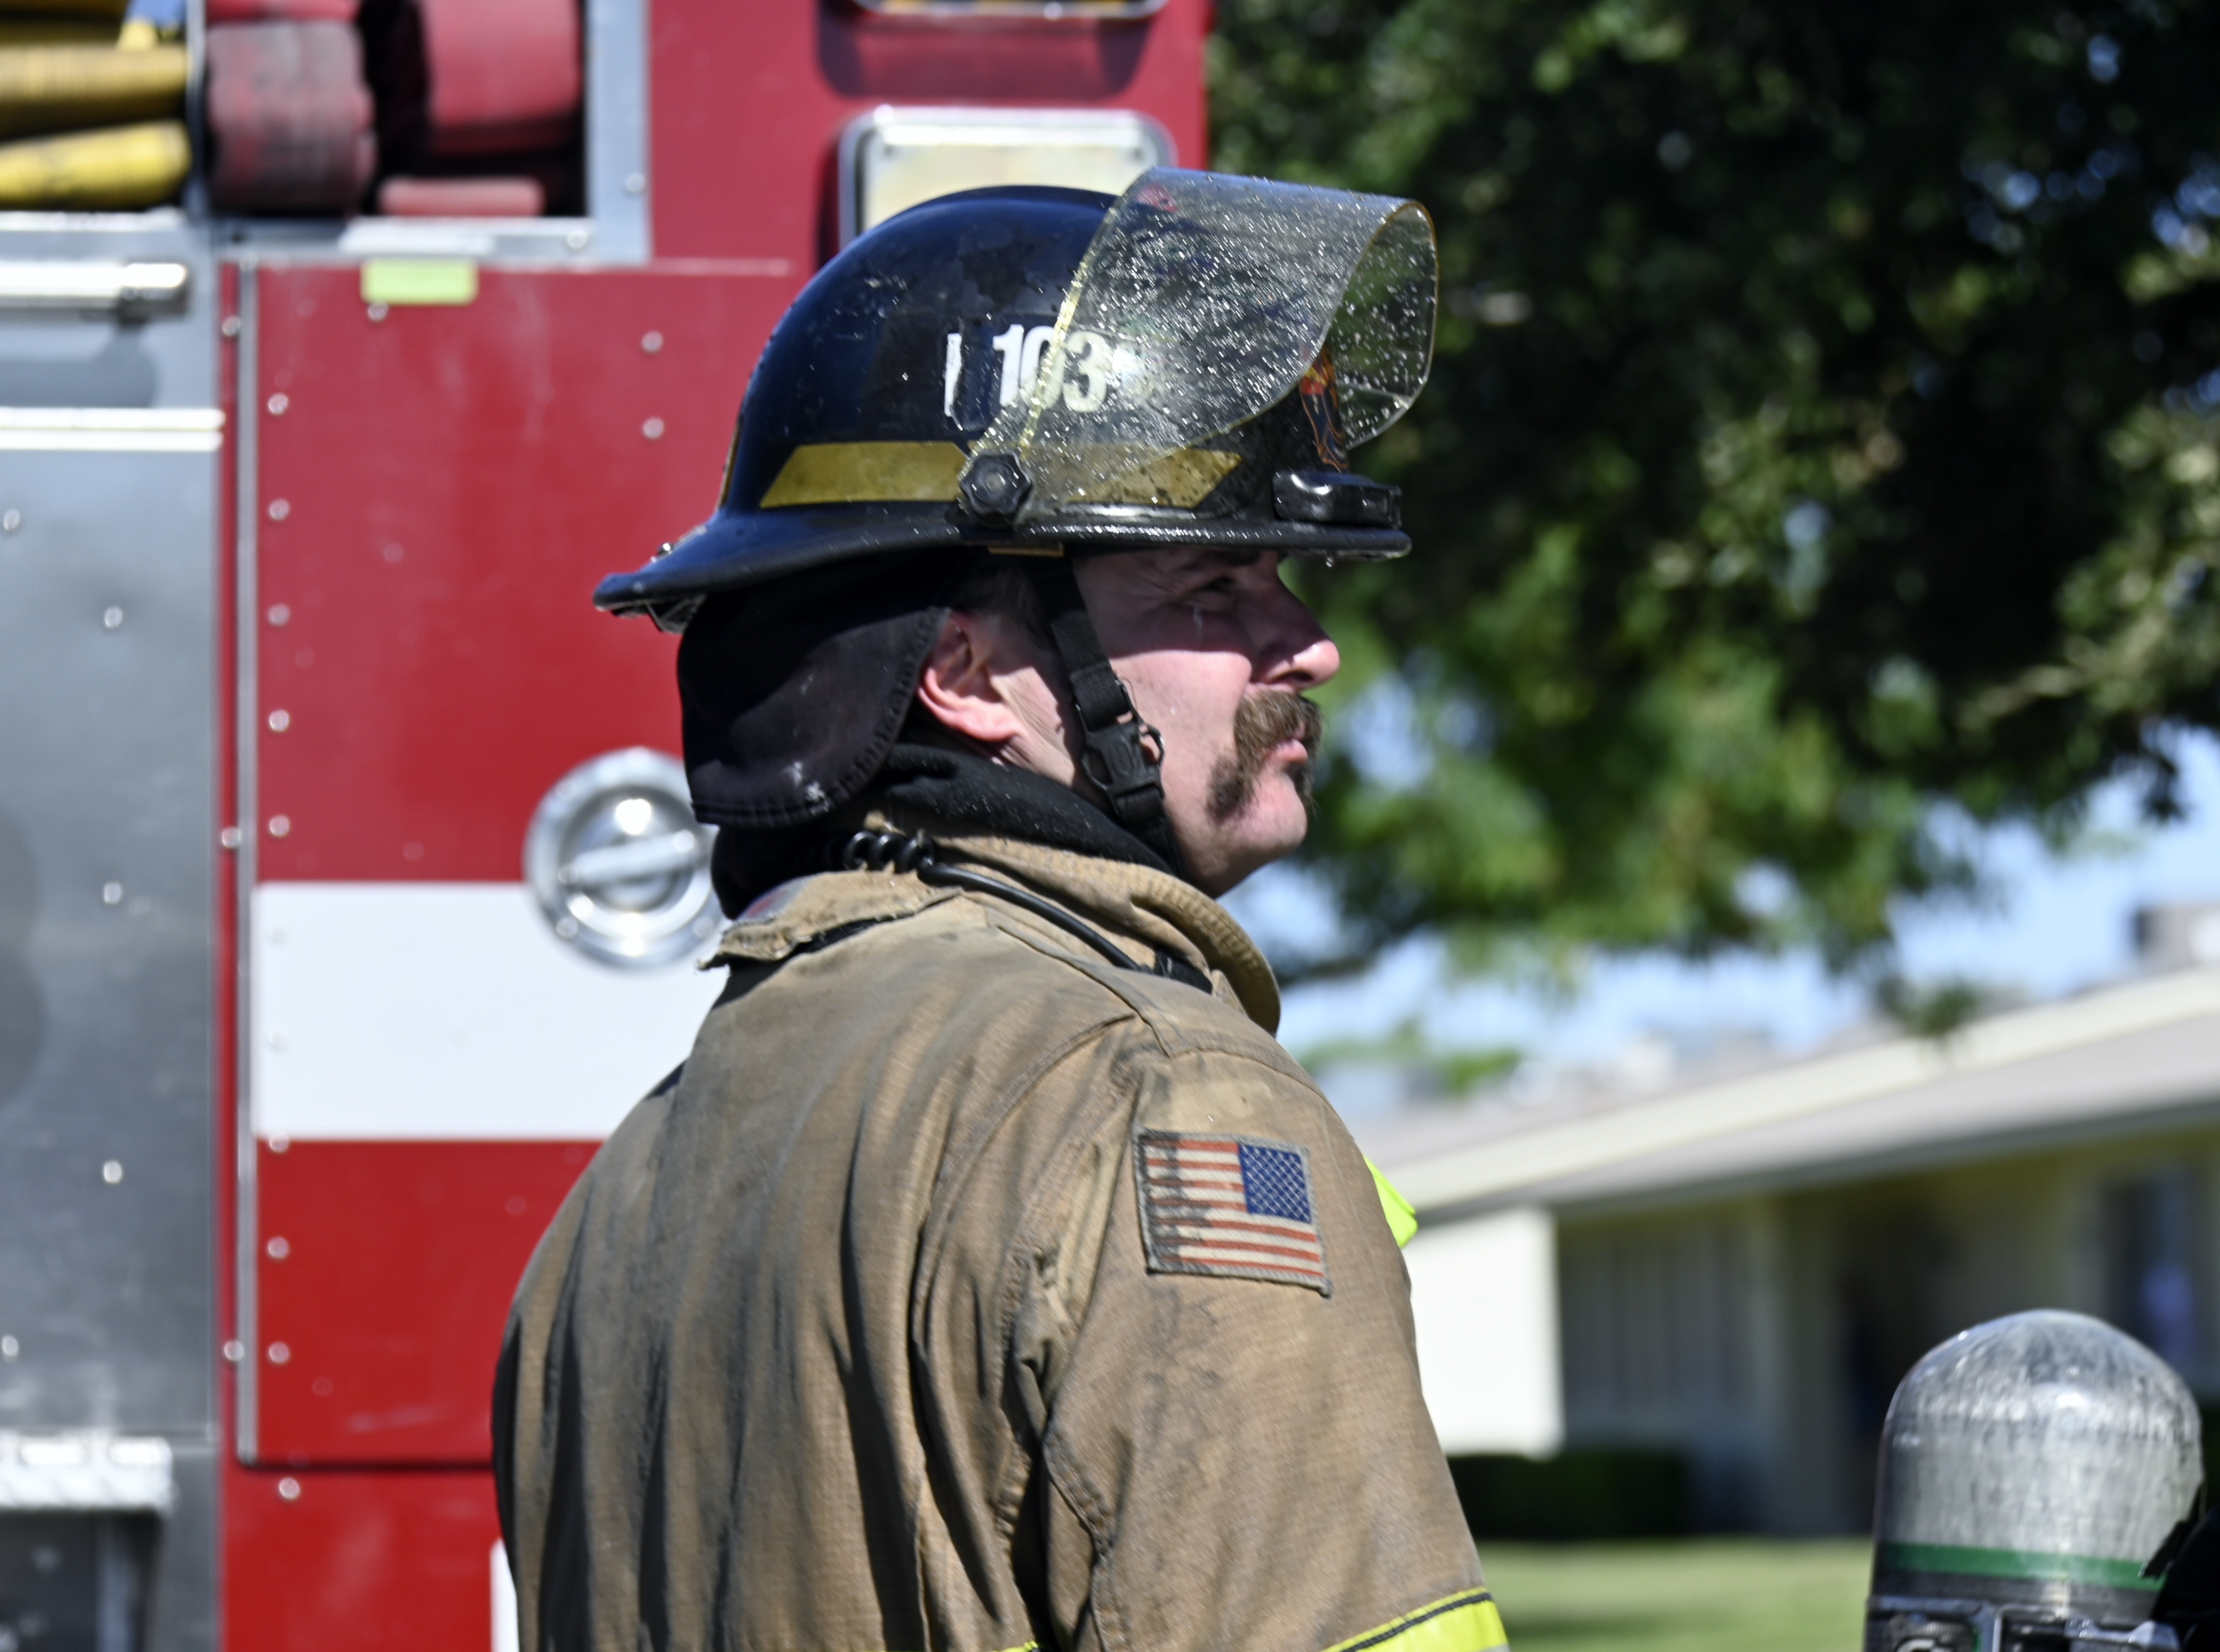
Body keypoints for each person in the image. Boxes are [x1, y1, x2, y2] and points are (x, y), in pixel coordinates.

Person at [493, 169, 1505, 1652]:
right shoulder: (1160, 1095)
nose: (1309, 645)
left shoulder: (631, 1183)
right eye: (1213, 592)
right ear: (966, 676)